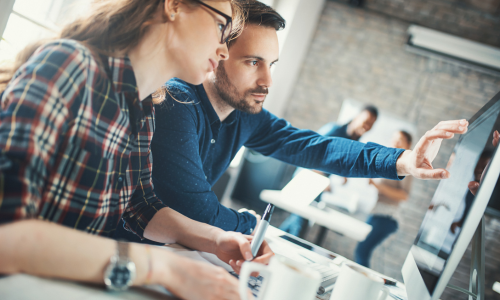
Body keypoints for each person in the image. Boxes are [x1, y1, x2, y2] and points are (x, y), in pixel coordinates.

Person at [119, 0, 468, 241]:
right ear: (218, 53)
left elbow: (316, 147)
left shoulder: (245, 116)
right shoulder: (176, 102)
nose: (267, 81)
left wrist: (402, 160)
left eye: (271, 65)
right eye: (253, 62)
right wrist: (252, 225)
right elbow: (197, 211)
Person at [0, 1, 273, 299]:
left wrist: (217, 238)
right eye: (221, 27)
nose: (223, 51)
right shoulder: (70, 65)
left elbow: (140, 206)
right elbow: (6, 235)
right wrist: (164, 267)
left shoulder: (143, 105)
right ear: (174, 6)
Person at [279, 106, 378, 236]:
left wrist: (341, 175)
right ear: (357, 117)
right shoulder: (334, 130)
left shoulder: (353, 140)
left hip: (317, 185)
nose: (367, 126)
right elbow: (310, 151)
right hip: (307, 179)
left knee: (296, 222)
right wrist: (323, 179)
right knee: (298, 226)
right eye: (366, 121)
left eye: (371, 124)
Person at [354, 130, 413, 268]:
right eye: (393, 139)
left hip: (387, 217)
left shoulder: (406, 165)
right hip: (377, 213)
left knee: (362, 250)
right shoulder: (390, 162)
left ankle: (364, 286)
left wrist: (377, 186)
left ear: (408, 144)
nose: (395, 142)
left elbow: (404, 195)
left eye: (400, 140)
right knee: (362, 250)